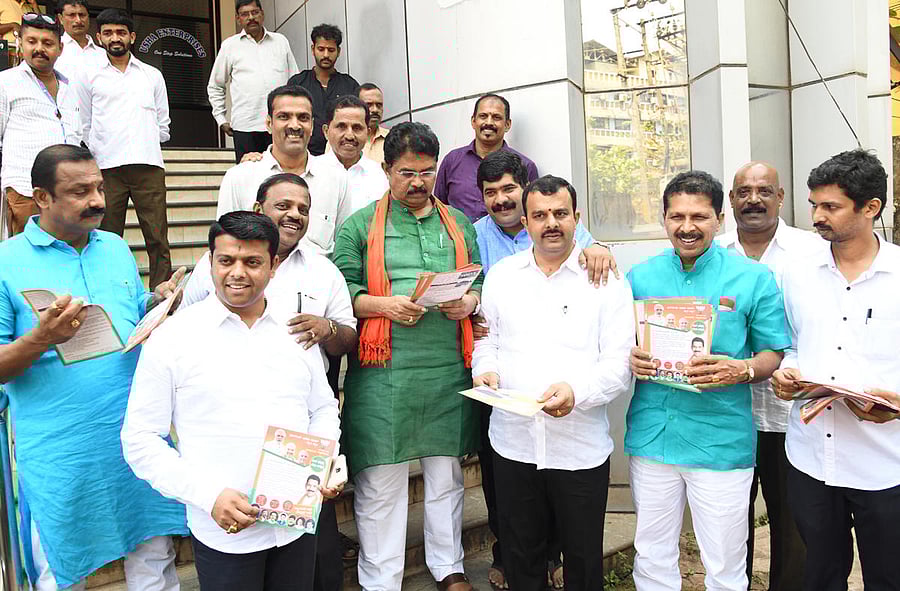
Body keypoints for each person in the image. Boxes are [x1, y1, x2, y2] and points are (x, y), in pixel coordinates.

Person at [122, 211, 343, 591]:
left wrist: (323, 460)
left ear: (274, 265)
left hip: (294, 526)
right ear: (209, 262)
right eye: (226, 260)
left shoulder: (294, 331)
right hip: (223, 532)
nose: (237, 272)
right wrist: (209, 496)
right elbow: (140, 440)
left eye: (252, 262)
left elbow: (322, 407)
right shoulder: (173, 339)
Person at [0, 144, 188, 591]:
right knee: (61, 572)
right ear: (41, 197)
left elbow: (126, 316)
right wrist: (41, 337)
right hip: (60, 452)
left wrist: (157, 304)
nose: (98, 200)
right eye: (80, 191)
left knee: (155, 557)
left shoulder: (116, 247)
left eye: (100, 187)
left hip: (133, 435)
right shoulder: (7, 261)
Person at [187, 172, 355, 591]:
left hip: (298, 455)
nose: (294, 215)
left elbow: (345, 344)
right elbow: (184, 324)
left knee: (313, 568)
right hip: (229, 460)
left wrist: (327, 329)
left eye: (303, 208)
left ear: (273, 268)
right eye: (283, 206)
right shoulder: (206, 280)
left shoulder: (322, 268)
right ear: (259, 209)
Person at [332, 122, 481, 591]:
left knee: (446, 473)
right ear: (386, 170)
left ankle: (448, 566)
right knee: (382, 481)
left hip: (446, 366)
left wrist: (469, 302)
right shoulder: (359, 225)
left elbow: (477, 281)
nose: (417, 182)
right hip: (383, 370)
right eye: (405, 173)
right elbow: (344, 293)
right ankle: (381, 579)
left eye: (426, 172)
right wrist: (383, 305)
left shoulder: (457, 223)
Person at [626, 170, 790, 591]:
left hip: (720, 439)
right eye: (676, 216)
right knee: (652, 553)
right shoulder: (639, 277)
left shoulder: (752, 278)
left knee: (724, 560)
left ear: (719, 218)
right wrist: (629, 357)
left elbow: (774, 351)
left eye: (699, 216)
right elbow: (614, 342)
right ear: (663, 219)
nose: (687, 227)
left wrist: (743, 369)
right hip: (652, 434)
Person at [472, 175, 633, 591]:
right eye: (540, 215)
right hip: (513, 445)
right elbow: (486, 339)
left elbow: (618, 364)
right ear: (525, 222)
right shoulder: (504, 276)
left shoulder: (606, 280)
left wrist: (576, 392)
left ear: (576, 218)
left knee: (581, 566)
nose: (551, 223)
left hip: (578, 449)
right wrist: (483, 370)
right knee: (522, 561)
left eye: (560, 214)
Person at [771, 149, 900, 591]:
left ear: (871, 208)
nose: (816, 216)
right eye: (813, 205)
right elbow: (790, 344)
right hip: (811, 459)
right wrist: (787, 373)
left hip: (885, 463)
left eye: (830, 207)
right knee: (820, 577)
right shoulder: (797, 272)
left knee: (888, 576)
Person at [717, 161, 821, 590]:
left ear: (780, 197)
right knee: (728, 520)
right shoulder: (714, 252)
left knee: (792, 521)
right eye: (743, 191)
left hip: (788, 413)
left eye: (763, 191)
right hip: (728, 412)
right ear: (731, 200)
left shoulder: (812, 252)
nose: (753, 199)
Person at [75, 8, 172, 289]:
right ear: (99, 37)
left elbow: (162, 123)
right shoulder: (89, 75)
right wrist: (100, 148)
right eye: (108, 32)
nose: (114, 38)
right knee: (105, 237)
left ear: (132, 36)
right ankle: (107, 292)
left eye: (120, 32)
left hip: (148, 166)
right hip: (107, 169)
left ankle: (161, 295)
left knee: (157, 237)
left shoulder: (152, 75)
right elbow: (84, 122)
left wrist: (144, 141)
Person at [215, 85, 351, 255]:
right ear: (269, 124)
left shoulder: (336, 178)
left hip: (320, 279)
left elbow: (345, 247)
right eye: (284, 117)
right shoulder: (240, 177)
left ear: (312, 124)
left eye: (303, 117)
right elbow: (225, 243)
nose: (295, 125)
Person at [0, 13, 81, 236]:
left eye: (47, 43)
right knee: (29, 261)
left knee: (65, 254)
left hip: (68, 192)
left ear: (60, 48)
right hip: (26, 190)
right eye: (32, 41)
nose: (39, 49)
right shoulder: (6, 83)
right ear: (21, 43)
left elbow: (77, 133)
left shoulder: (69, 87)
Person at [207, 0, 298, 163]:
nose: (251, 18)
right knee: (248, 178)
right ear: (238, 19)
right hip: (245, 126)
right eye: (245, 14)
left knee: (282, 176)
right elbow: (216, 85)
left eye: (255, 12)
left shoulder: (280, 41)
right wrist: (221, 119)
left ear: (262, 14)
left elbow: (295, 81)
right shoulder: (230, 46)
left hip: (280, 123)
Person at [436, 93, 538, 222]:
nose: (489, 123)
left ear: (507, 124)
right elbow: (438, 208)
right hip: (459, 241)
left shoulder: (525, 165)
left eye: (496, 117)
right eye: (483, 116)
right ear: (473, 121)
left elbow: (534, 212)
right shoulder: (452, 161)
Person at [287, 24, 358, 156]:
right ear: (313, 49)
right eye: (321, 49)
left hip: (341, 157)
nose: (326, 55)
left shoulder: (350, 85)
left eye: (331, 50)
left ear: (338, 51)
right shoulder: (297, 83)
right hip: (303, 155)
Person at [322, 95, 388, 213]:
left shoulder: (379, 176)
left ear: (367, 133)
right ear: (326, 131)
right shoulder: (312, 172)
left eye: (357, 128)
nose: (349, 136)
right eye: (341, 127)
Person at [54, 0, 104, 82]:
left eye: (82, 15)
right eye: (72, 15)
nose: (78, 20)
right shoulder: (54, 50)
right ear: (60, 18)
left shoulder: (102, 54)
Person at [357, 83, 389, 164]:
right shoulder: (342, 140)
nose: (375, 110)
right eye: (369, 105)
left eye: (379, 105)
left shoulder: (393, 139)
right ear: (356, 107)